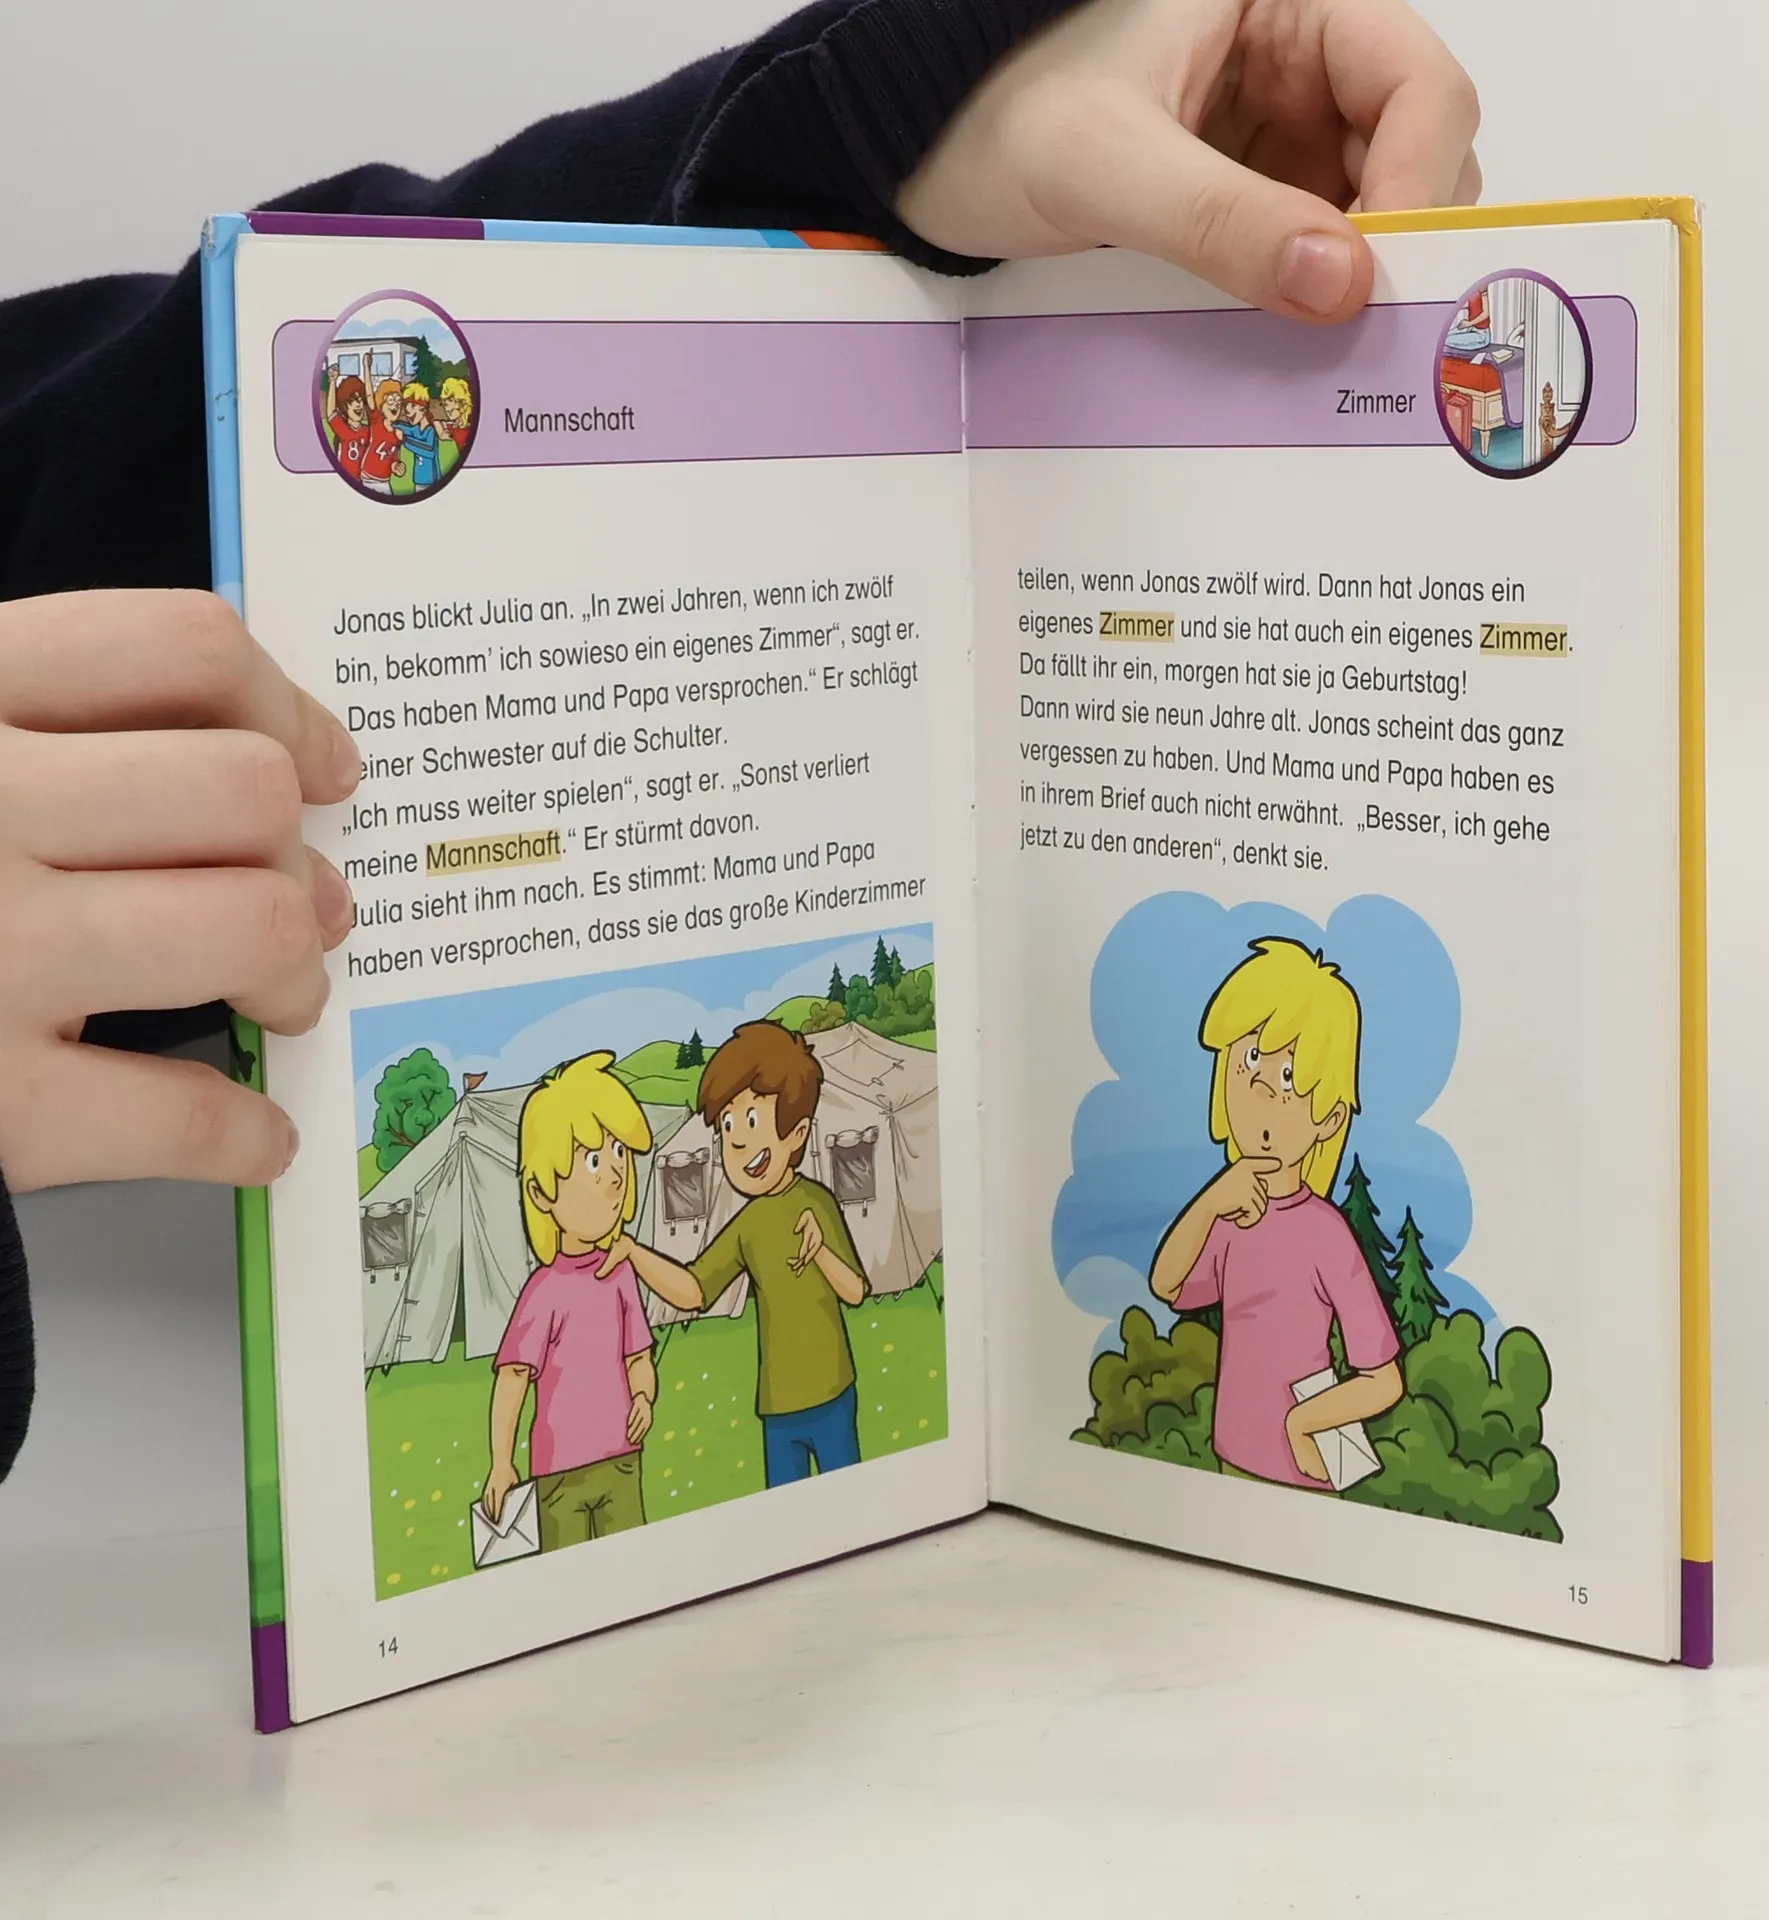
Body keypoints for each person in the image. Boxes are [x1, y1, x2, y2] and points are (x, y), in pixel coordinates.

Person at [0, 0, 1481, 1481]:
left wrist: (887, 109)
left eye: (1278, 1088)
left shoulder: (871, 1210)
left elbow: (116, 444)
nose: (746, 1157)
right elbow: (1107, 1280)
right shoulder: (616, 1263)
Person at [1149, 938, 1403, 1487]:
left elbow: (1383, 1380)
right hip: (1229, 1457)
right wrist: (1210, 1202)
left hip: (1300, 1475)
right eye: (1247, 1064)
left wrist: (1302, 1422)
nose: (1261, 1090)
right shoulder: (1231, 1213)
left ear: (1329, 1119)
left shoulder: (1325, 1234)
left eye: (1289, 1078)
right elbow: (1167, 1285)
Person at [610, 1023, 871, 1487]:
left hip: (832, 1392)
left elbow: (854, 1292)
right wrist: (633, 1251)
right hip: (776, 1407)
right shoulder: (749, 1224)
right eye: (728, 1126)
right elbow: (695, 1290)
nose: (738, 1141)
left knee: (847, 1494)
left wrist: (822, 1252)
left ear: (798, 1133)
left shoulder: (816, 1202)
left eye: (752, 1121)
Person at [481, 1053, 659, 1553]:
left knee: (631, 1559)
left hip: (621, 1459)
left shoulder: (619, 1272)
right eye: (593, 1161)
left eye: (619, 1153)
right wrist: (501, 1462)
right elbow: (513, 1377)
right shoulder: (545, 1291)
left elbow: (638, 1356)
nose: (614, 1175)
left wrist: (644, 1397)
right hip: (558, 1472)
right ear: (541, 1193)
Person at [323, 368, 373, 483]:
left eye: (360, 400)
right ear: (345, 406)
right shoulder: (343, 429)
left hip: (363, 481)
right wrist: (332, 381)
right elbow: (331, 412)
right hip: (345, 480)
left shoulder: (368, 430)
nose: (358, 404)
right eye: (352, 401)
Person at [395, 381, 444, 492]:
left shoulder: (430, 430)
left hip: (432, 481)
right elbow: (401, 426)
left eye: (413, 405)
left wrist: (404, 439)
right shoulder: (415, 429)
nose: (407, 410)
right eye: (406, 405)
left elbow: (428, 450)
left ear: (423, 409)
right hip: (418, 480)